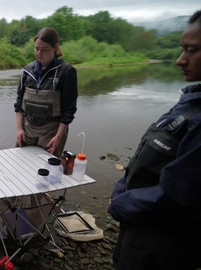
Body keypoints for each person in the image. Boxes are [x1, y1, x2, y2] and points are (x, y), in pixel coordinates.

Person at [108, 10, 201, 270]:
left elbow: (177, 196)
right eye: (182, 49)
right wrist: (121, 187)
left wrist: (120, 203)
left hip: (162, 247)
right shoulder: (189, 103)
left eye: (191, 50)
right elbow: (146, 157)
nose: (179, 60)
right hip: (138, 231)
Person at [14, 27, 78, 157]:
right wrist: (20, 129)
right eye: (36, 49)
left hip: (52, 132)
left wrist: (58, 137)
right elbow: (19, 103)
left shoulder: (67, 72)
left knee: (45, 172)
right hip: (27, 130)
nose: (39, 53)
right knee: (19, 163)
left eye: (44, 49)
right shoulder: (27, 71)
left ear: (55, 48)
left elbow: (68, 110)